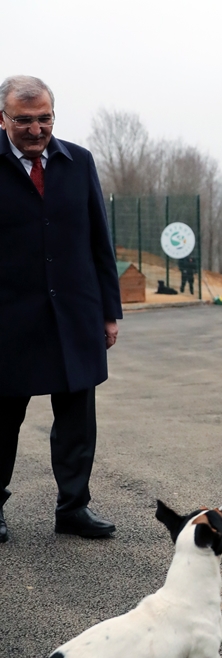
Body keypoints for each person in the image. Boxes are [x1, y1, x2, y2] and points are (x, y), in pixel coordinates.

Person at [0, 75, 123, 543]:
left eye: (44, 118)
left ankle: (74, 508)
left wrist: (109, 311)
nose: (36, 129)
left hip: (75, 313)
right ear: (3, 118)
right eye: (24, 120)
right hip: (9, 318)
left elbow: (99, 241)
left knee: (76, 420)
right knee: (2, 420)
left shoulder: (79, 162)